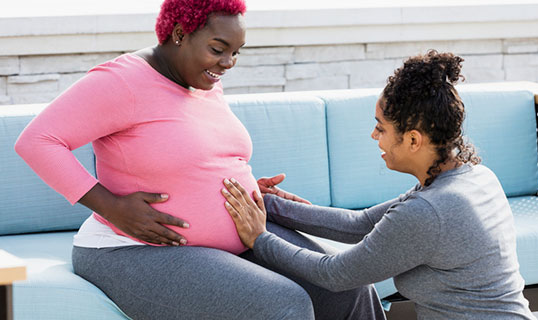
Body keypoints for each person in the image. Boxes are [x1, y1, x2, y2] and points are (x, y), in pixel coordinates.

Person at [14, 0, 386, 319]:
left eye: (236, 51)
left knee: (348, 285)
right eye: (218, 48)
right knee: (283, 305)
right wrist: (111, 206)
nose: (228, 62)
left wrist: (243, 187)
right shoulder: (122, 81)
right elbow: (38, 141)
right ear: (179, 33)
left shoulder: (201, 79)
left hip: (230, 239)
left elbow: (195, 155)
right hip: (133, 251)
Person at [222, 50, 537, 320]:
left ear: (413, 139)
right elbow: (361, 223)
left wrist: (260, 238)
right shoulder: (472, 177)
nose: (375, 137)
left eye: (380, 128)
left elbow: (333, 274)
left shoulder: (430, 211)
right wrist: (270, 205)